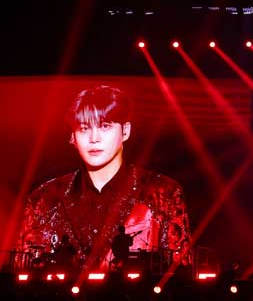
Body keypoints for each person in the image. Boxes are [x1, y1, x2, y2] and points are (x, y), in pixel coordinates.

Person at [17, 85, 192, 270]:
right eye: (84, 128)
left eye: (105, 126)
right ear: (72, 137)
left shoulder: (162, 194)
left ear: (125, 131)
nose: (94, 138)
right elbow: (21, 270)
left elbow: (181, 274)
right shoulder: (44, 199)